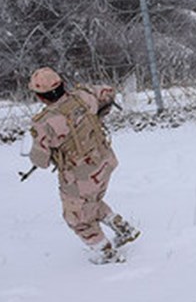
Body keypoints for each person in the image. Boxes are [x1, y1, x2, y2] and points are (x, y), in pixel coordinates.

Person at [27, 67, 140, 264]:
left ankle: (107, 254)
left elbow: (40, 161)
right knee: (91, 201)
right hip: (105, 161)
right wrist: (97, 115)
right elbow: (108, 92)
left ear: (40, 97)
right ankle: (123, 228)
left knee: (77, 218)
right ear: (62, 84)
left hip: (80, 176)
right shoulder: (84, 96)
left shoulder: (44, 123)